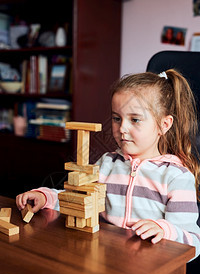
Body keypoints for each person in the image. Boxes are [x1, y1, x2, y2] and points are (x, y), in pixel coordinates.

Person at [16, 69, 200, 259]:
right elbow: (80, 200)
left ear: (164, 125)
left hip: (150, 271)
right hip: (106, 262)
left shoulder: (176, 176)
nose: (122, 128)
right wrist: (46, 197)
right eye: (116, 118)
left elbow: (193, 243)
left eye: (135, 119)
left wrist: (165, 230)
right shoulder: (107, 163)